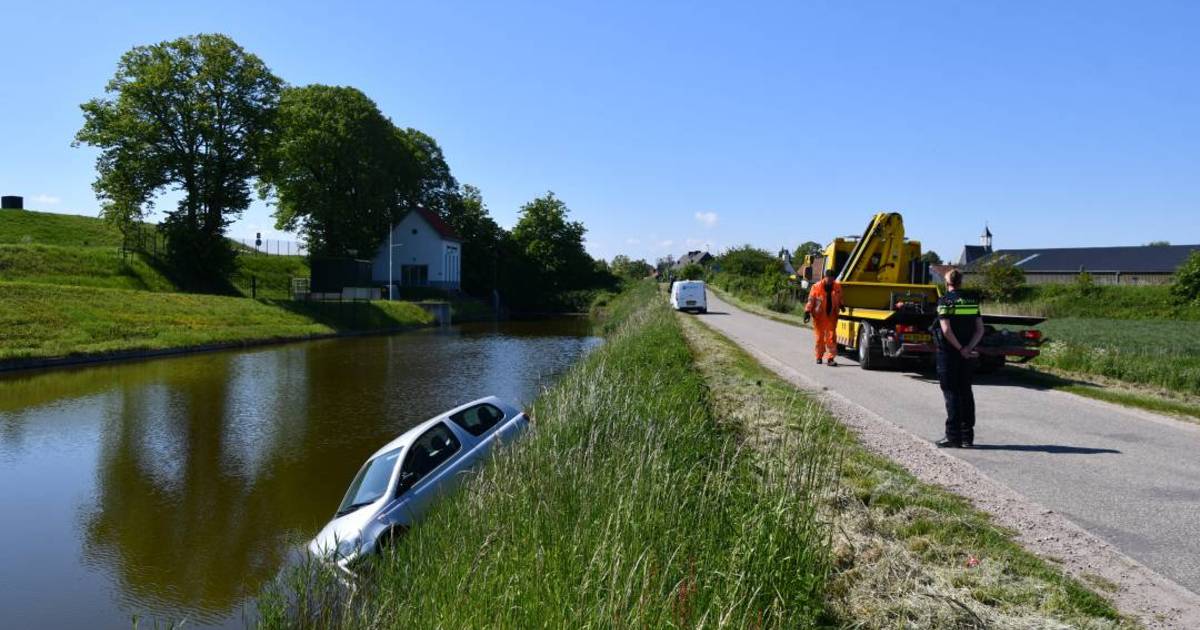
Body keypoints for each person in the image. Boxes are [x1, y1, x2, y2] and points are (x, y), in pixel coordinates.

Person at [933, 269, 984, 448]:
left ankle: (952, 436)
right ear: (961, 282)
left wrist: (960, 348)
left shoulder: (944, 301)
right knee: (966, 392)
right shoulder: (972, 301)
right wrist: (968, 348)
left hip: (949, 353)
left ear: (947, 284)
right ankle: (967, 437)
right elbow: (980, 329)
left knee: (951, 393)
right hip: (968, 354)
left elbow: (946, 330)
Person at [803, 269, 843, 366]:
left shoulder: (837, 286)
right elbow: (811, 300)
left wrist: (842, 305)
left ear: (833, 278)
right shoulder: (816, 287)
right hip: (819, 316)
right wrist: (807, 311)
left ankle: (830, 358)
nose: (830, 281)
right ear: (825, 277)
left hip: (832, 316)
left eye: (832, 279)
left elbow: (840, 298)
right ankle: (819, 357)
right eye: (828, 278)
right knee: (819, 338)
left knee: (831, 338)